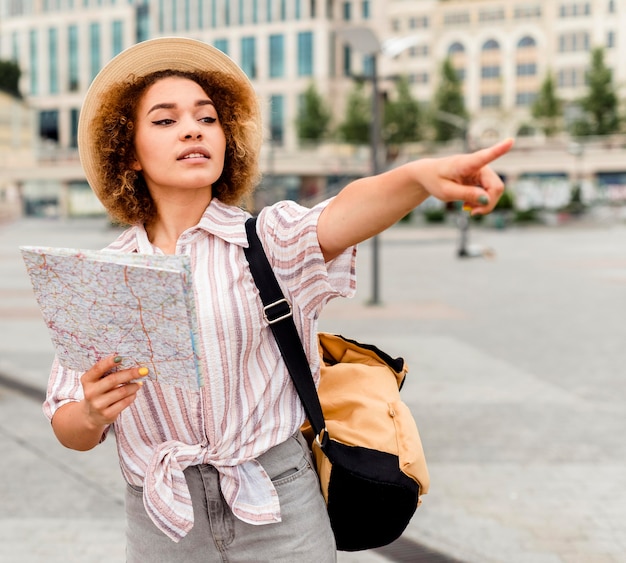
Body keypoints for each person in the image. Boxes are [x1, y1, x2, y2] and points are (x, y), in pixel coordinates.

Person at [42, 37, 513, 562]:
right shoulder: (102, 278)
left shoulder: (268, 240)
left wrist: (417, 177)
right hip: (163, 519)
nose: (193, 128)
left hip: (278, 500)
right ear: (127, 151)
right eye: (165, 120)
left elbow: (341, 214)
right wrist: (91, 412)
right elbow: (69, 426)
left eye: (207, 117)